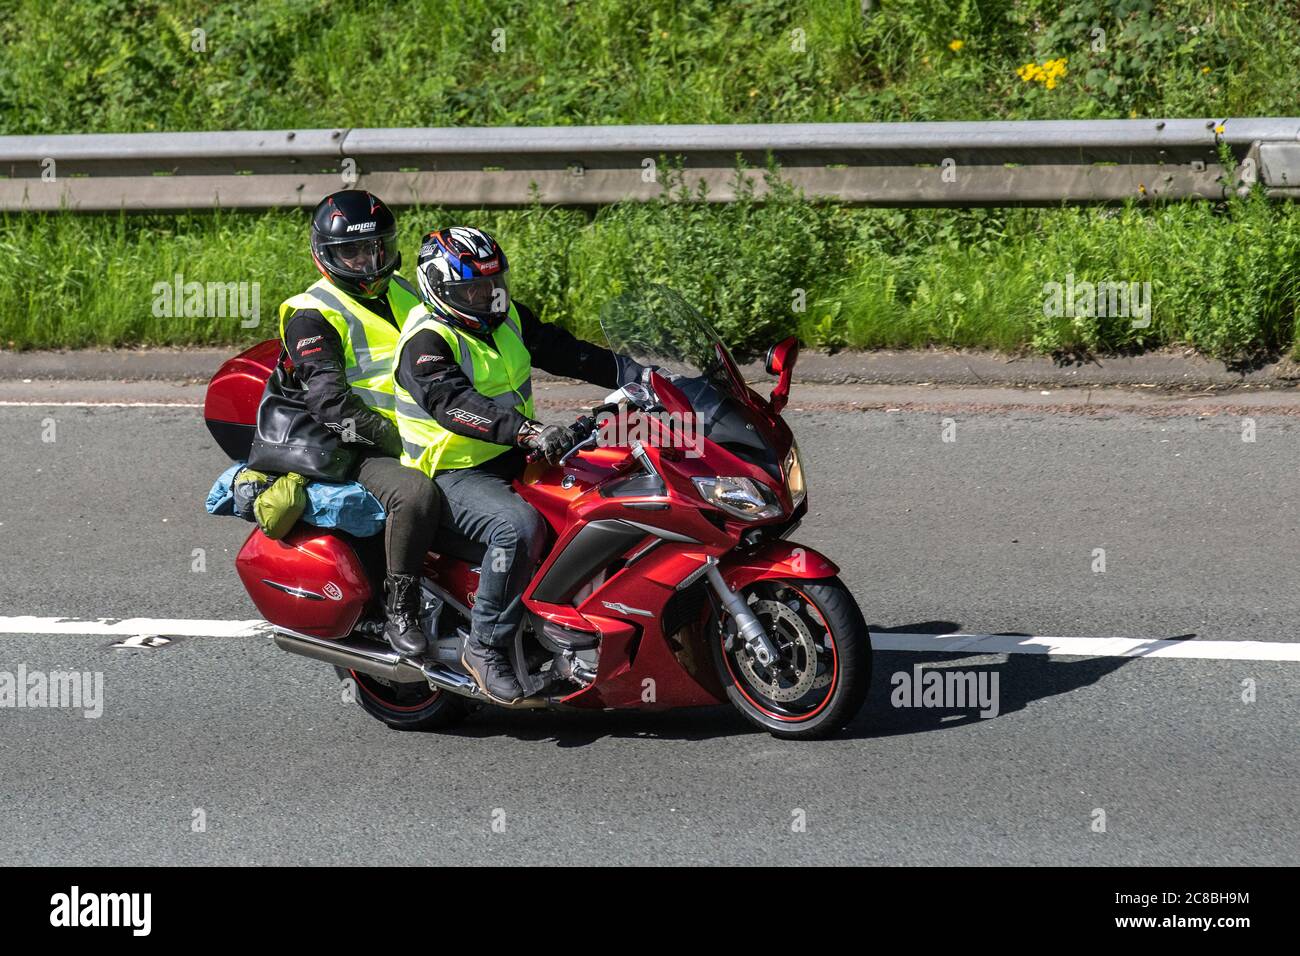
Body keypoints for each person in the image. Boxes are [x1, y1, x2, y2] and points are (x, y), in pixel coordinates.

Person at [392, 227, 646, 703]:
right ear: (439, 290)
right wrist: (529, 432)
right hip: (450, 472)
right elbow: (456, 404)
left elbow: (567, 351)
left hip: (511, 454)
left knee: (608, 487)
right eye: (473, 289)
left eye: (494, 284)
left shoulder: (501, 318)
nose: (488, 297)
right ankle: (485, 647)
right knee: (518, 528)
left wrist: (640, 375)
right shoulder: (426, 343)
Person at [279, 189, 439, 658]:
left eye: (378, 248)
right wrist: (399, 442)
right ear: (324, 255)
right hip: (360, 442)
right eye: (352, 250)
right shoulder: (311, 314)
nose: (369, 262)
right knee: (415, 494)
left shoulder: (407, 291)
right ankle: (400, 607)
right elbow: (331, 408)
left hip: (426, 426)